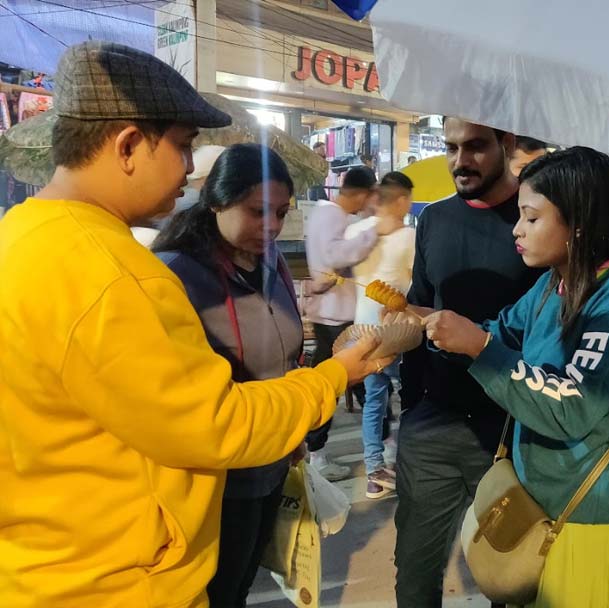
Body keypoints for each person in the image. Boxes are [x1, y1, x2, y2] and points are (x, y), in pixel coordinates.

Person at [0, 41, 389, 608]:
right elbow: (219, 424)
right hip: (119, 581)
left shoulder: (22, 237)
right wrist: (332, 379)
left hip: (45, 563)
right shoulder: (120, 276)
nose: (188, 168)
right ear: (129, 144)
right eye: (183, 146)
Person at [424, 147, 609, 608]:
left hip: (587, 518)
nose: (517, 230)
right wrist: (428, 328)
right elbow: (498, 331)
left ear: (578, 222)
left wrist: (478, 348)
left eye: (531, 219)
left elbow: (571, 406)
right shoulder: (553, 285)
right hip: (533, 505)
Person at [392, 117, 544, 607]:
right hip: (434, 424)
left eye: (475, 147)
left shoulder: (538, 218)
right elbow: (418, 306)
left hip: (512, 432)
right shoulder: (434, 219)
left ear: (508, 144)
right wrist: (412, 404)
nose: (461, 161)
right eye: (451, 147)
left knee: (514, 577)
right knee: (415, 571)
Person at [151, 144, 302, 607]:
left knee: (243, 583)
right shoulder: (175, 275)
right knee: (217, 592)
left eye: (281, 212)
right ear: (216, 201)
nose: (272, 227)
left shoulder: (272, 263)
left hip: (272, 460)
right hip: (215, 479)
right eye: (257, 212)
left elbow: (284, 352)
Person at [305, 167, 393, 480]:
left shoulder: (323, 213)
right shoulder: (332, 215)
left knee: (356, 383)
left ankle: (381, 439)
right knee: (355, 381)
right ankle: (319, 454)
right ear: (361, 193)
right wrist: (373, 233)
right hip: (336, 316)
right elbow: (333, 256)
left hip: (332, 313)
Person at [345, 171, 416, 499]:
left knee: (375, 401)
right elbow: (416, 283)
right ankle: (404, 462)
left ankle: (375, 471)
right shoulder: (409, 237)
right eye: (409, 198)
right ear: (401, 200)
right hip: (396, 332)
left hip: (363, 329)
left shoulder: (357, 230)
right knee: (411, 398)